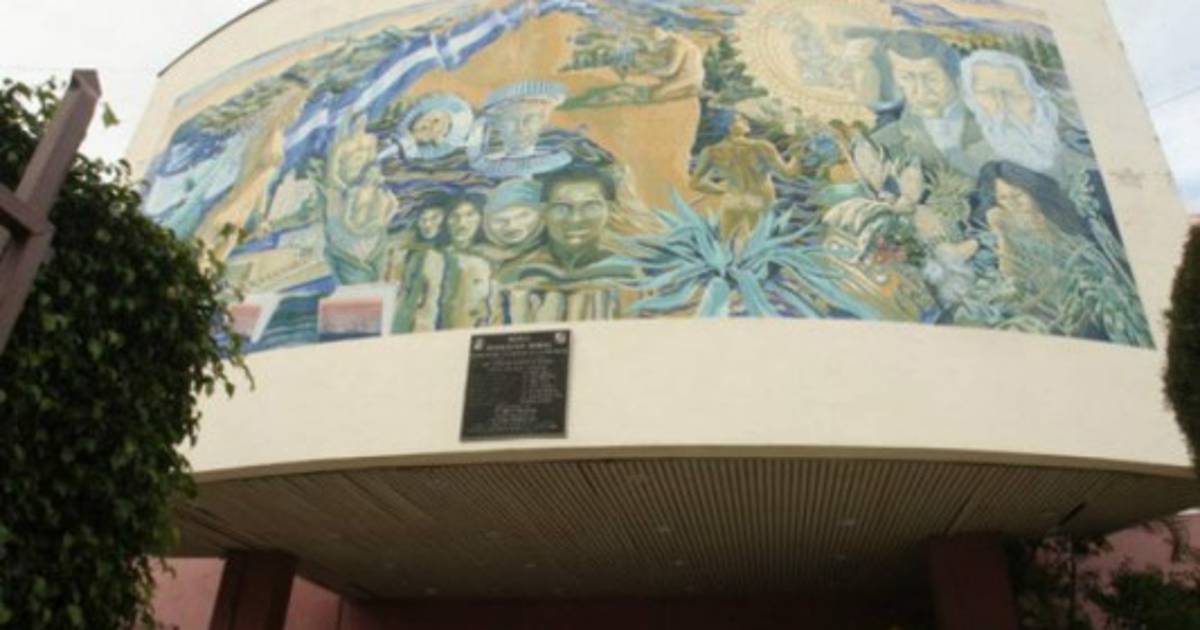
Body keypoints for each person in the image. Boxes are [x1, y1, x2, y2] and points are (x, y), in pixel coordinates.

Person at [504, 165, 636, 322]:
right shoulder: (516, 274)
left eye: (591, 207)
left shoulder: (631, 274)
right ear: (543, 212)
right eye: (561, 208)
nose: (575, 219)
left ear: (610, 209)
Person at [961, 51, 1095, 185]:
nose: (1002, 105)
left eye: (1013, 94)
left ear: (1036, 99)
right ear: (971, 100)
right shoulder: (971, 162)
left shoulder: (1082, 158)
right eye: (988, 93)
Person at [870, 31, 982, 175]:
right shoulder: (881, 144)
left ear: (956, 77)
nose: (921, 91)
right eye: (906, 78)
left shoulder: (993, 125)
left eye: (931, 78)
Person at [690, 115, 804, 246]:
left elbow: (696, 183)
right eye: (740, 119)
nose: (745, 121)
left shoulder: (711, 151)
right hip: (759, 200)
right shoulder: (762, 147)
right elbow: (789, 174)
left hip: (733, 200)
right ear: (732, 127)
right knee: (752, 245)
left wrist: (721, 189)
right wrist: (797, 156)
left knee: (725, 245)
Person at [469, 81, 572, 178]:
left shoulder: (557, 161)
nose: (520, 128)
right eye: (511, 119)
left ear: (542, 121)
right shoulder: (487, 167)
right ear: (498, 124)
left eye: (530, 119)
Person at [389, 193, 450, 334]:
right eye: (423, 219)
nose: (427, 224)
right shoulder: (407, 250)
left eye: (434, 218)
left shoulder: (449, 254)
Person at [440, 193, 498, 329]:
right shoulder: (439, 257)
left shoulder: (493, 258)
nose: (462, 223)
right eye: (454, 216)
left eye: (470, 215)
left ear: (481, 219)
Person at [643, 22, 705, 102]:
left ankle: (688, 93)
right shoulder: (674, 42)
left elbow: (670, 70)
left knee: (656, 94)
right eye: (651, 32)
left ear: (667, 30)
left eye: (655, 32)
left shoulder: (677, 45)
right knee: (651, 89)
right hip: (686, 76)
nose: (652, 35)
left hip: (688, 79)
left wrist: (649, 71)